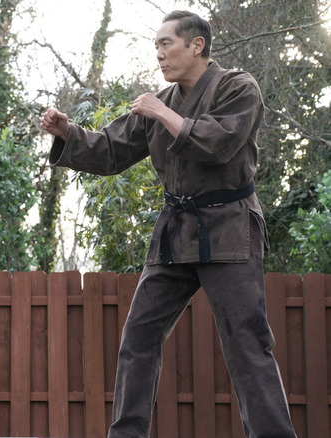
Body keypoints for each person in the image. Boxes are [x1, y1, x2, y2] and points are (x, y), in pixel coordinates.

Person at [41, 10, 296, 438]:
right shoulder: (161, 103)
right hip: (176, 231)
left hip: (229, 228)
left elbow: (220, 144)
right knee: (138, 337)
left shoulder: (238, 87)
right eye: (155, 46)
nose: (158, 54)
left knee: (246, 343)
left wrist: (163, 113)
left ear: (196, 45)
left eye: (166, 44)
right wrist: (69, 133)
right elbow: (109, 149)